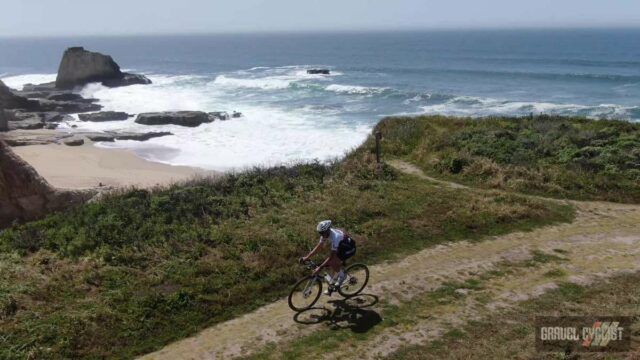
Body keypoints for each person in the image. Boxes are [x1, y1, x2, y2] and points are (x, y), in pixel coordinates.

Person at [299, 220, 356, 295]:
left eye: (322, 233)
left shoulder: (336, 237)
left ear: (328, 230)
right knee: (331, 265)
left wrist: (320, 267)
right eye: (320, 233)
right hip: (341, 247)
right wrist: (306, 257)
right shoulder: (325, 234)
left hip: (349, 249)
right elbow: (318, 247)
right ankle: (332, 284)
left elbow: (331, 256)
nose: (321, 235)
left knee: (332, 262)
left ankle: (342, 276)